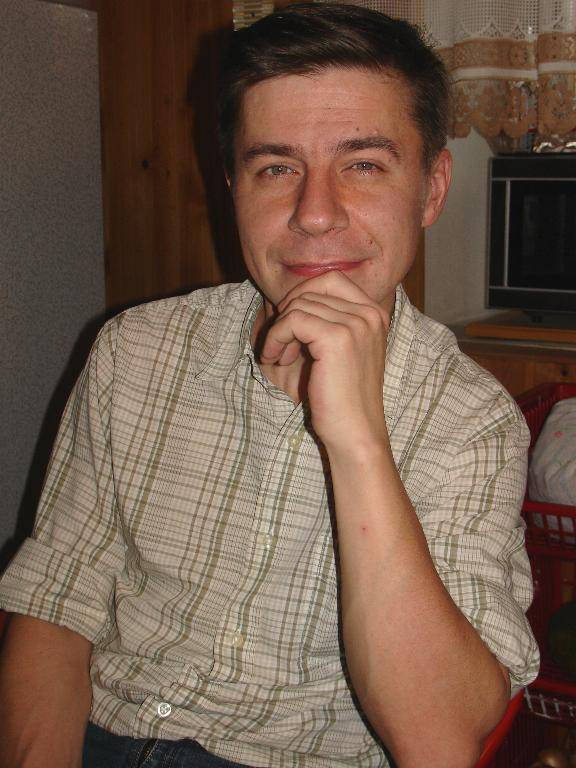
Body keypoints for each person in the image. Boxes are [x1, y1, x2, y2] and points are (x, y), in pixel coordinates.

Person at [0, 4, 539, 767]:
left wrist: (358, 440)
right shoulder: (134, 350)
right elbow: (56, 605)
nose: (314, 215)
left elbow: (437, 742)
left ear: (431, 188)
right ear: (233, 188)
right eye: (276, 168)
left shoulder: (474, 420)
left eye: (363, 164)